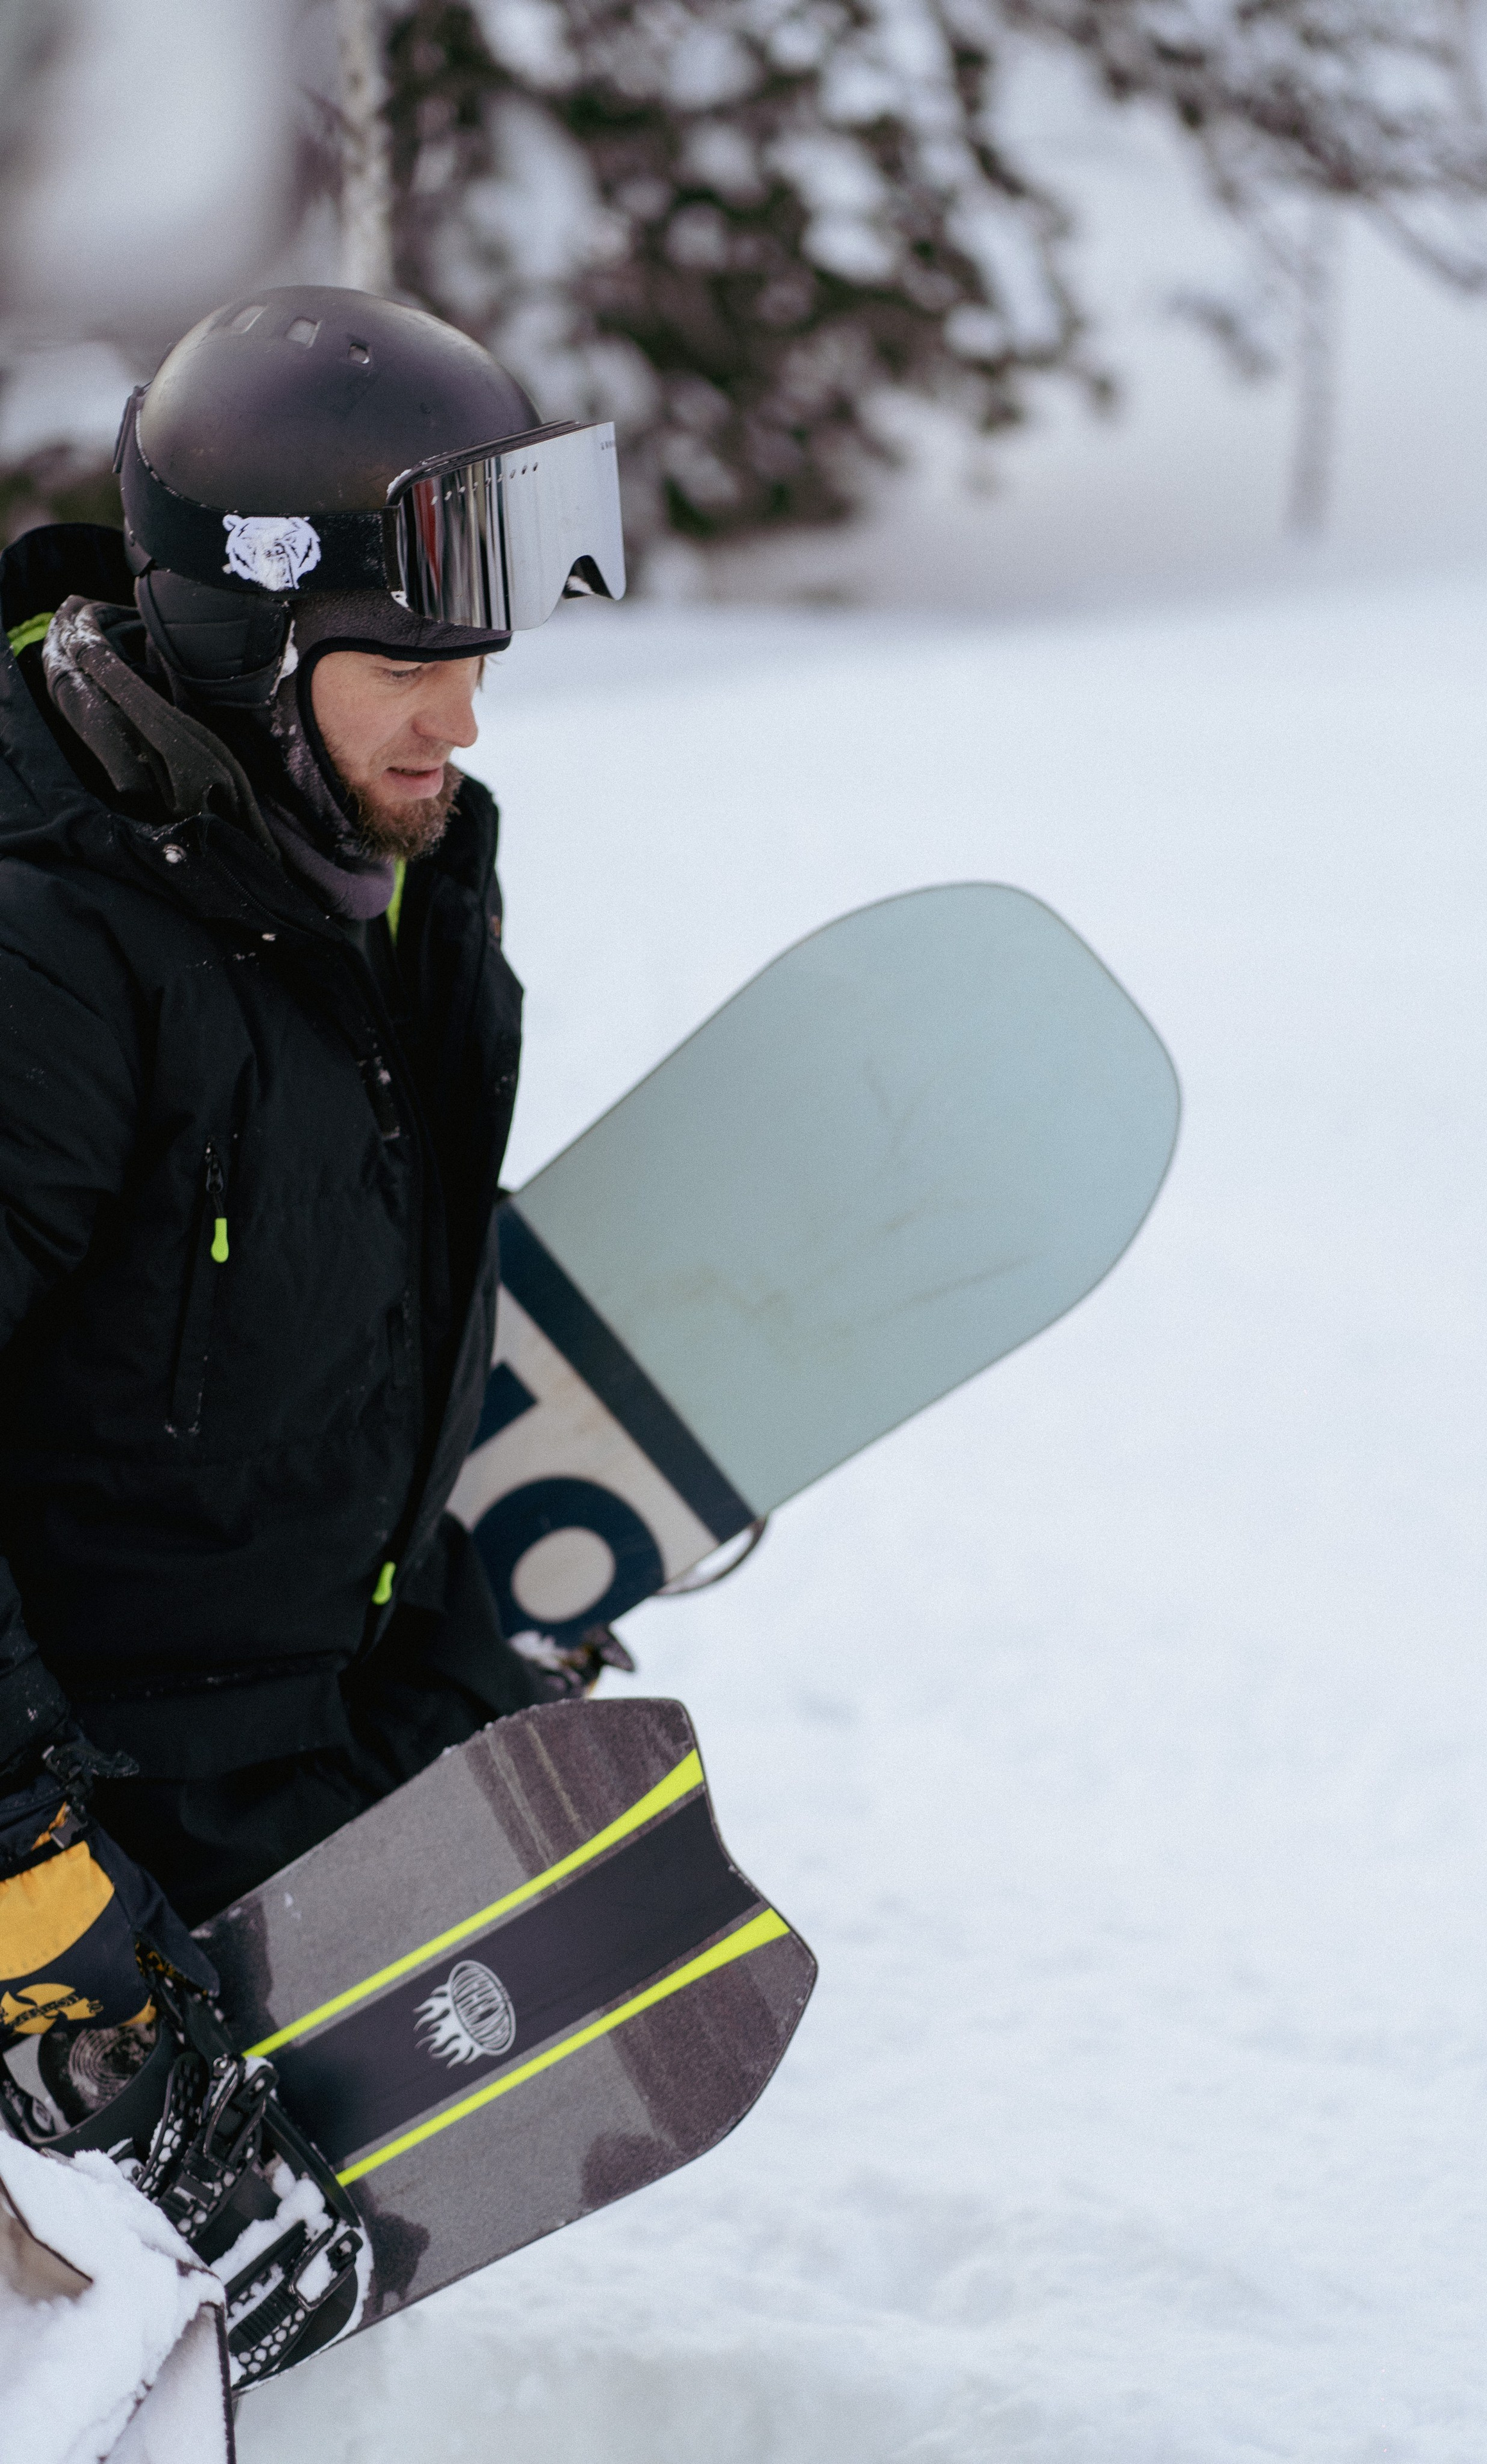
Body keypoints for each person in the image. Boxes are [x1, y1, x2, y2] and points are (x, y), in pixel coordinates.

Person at [0, 286, 625, 2154]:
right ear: (251, 638)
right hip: (99, 1845)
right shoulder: (49, 957)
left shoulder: (379, 876)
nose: (465, 709)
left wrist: (449, 1676)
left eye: (477, 651)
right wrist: (36, 1898)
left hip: (306, 1760)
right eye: (402, 657)